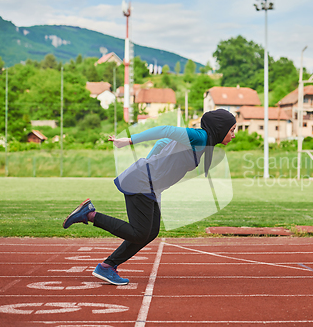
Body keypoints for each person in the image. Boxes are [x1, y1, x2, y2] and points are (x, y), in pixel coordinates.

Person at [63, 109, 236, 285]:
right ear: (220, 128)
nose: (234, 135)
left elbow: (163, 142)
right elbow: (165, 131)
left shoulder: (203, 142)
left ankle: (107, 266)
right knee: (139, 233)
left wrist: (152, 167)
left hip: (150, 186)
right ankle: (90, 215)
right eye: (232, 130)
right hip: (142, 183)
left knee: (150, 232)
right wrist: (131, 141)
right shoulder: (200, 137)